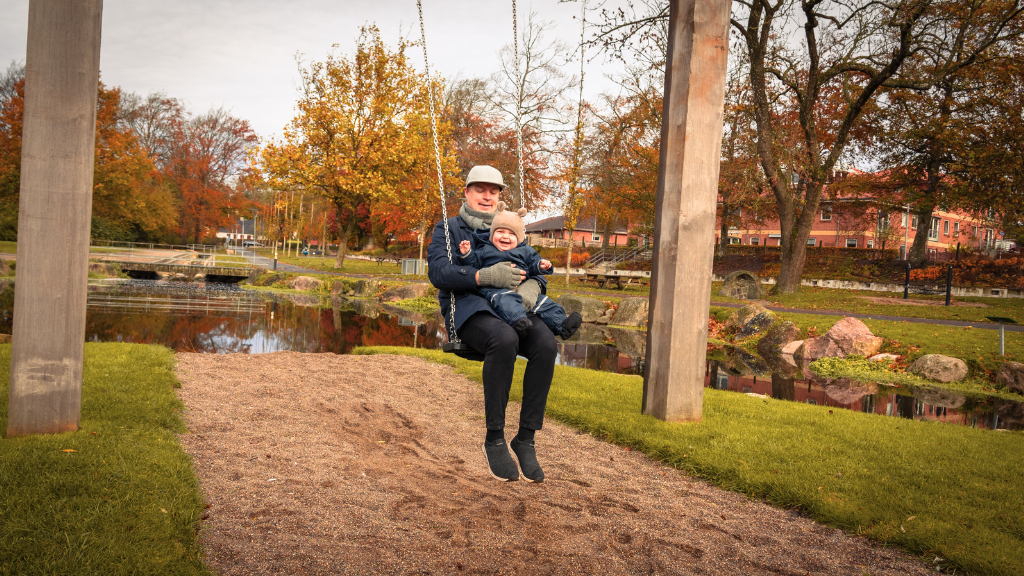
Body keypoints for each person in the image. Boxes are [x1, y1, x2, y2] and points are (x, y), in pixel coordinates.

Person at [426, 165, 556, 483]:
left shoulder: (509, 226)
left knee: (545, 343)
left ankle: (525, 437)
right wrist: (480, 276)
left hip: (513, 307)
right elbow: (439, 273)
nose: (487, 196)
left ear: (499, 196)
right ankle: (495, 437)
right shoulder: (449, 229)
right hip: (472, 310)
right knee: (504, 339)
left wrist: (533, 286)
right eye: (480, 189)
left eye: (493, 191)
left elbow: (533, 268)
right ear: (467, 192)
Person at [456, 203, 582, 340]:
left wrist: (541, 265)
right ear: (492, 234)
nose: (505, 237)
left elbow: (533, 264)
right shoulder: (486, 250)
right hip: (496, 289)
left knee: (542, 302)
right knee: (505, 301)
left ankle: (562, 324)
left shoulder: (526, 251)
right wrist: (467, 254)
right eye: (500, 232)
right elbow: (474, 263)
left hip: (523, 286)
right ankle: (519, 321)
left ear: (519, 238)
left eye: (511, 234)